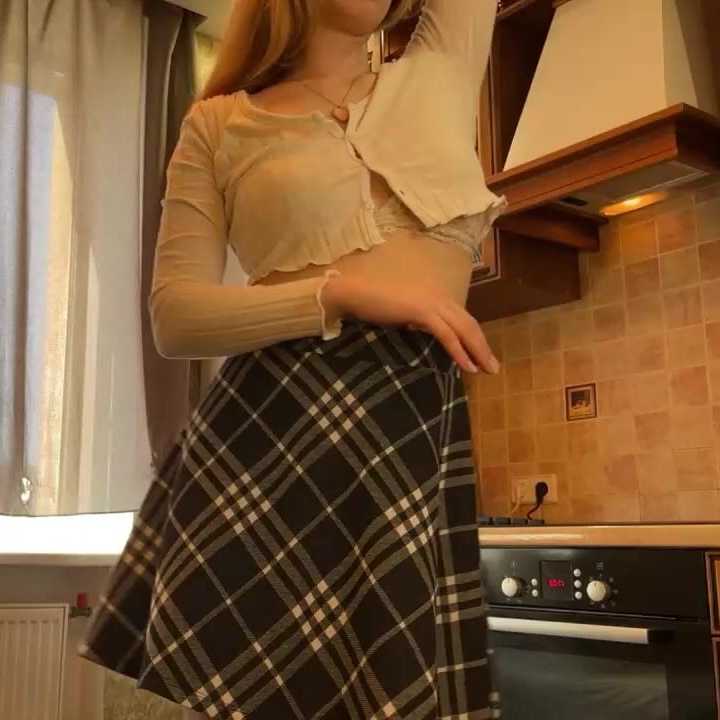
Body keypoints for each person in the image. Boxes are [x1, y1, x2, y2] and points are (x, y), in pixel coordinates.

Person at [82, 0, 504, 717]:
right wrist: (340, 293)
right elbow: (175, 316)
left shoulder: (440, 66)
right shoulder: (217, 124)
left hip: (409, 428)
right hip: (270, 430)